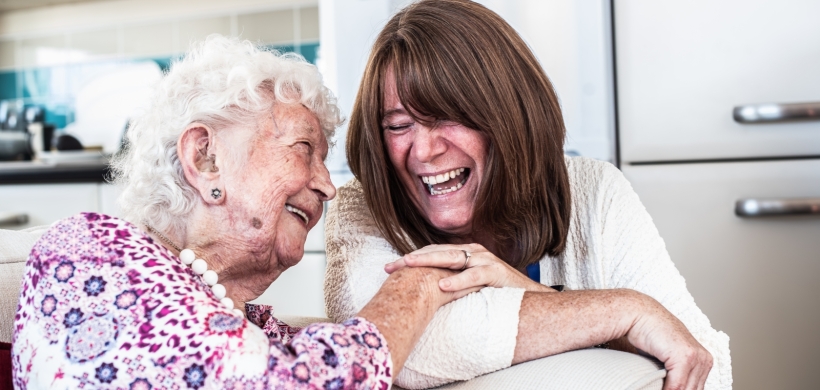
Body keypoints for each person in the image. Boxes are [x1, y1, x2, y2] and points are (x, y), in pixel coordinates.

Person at [11, 35, 480, 389]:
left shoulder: (253, 327)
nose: (327, 186)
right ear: (205, 158)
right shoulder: (86, 255)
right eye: (303, 149)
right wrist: (415, 286)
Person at [325, 0, 731, 389]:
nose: (425, 150)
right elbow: (391, 352)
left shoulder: (594, 191)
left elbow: (702, 362)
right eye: (398, 126)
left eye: (447, 117)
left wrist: (523, 288)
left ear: (507, 113)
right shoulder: (360, 208)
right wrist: (626, 312)